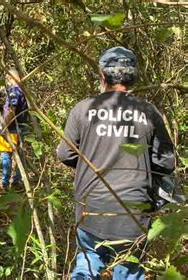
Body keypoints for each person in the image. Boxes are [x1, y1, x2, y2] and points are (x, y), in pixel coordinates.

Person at [56, 46, 175, 279]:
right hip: (134, 213)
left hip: (91, 209)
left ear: (102, 76)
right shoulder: (148, 112)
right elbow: (165, 162)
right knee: (129, 270)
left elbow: (65, 154)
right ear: (132, 78)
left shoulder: (83, 109)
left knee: (87, 262)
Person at [0, 68, 29, 190]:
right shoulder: (23, 91)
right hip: (21, 128)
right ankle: (17, 181)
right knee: (19, 155)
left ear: (10, 78)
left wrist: (3, 126)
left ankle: (6, 183)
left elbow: (11, 110)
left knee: (6, 155)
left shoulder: (14, 91)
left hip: (13, 128)